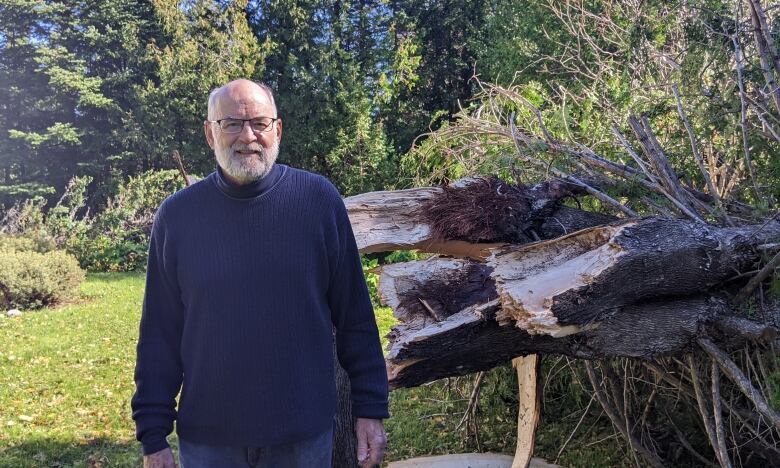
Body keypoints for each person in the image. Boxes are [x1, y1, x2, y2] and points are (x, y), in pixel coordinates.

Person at [131, 79, 389, 468]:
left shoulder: (318, 201)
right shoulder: (178, 217)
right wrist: (153, 434)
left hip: (302, 437)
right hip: (209, 442)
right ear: (209, 133)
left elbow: (355, 316)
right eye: (231, 123)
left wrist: (371, 409)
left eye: (259, 123)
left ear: (278, 129)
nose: (247, 136)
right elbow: (159, 334)